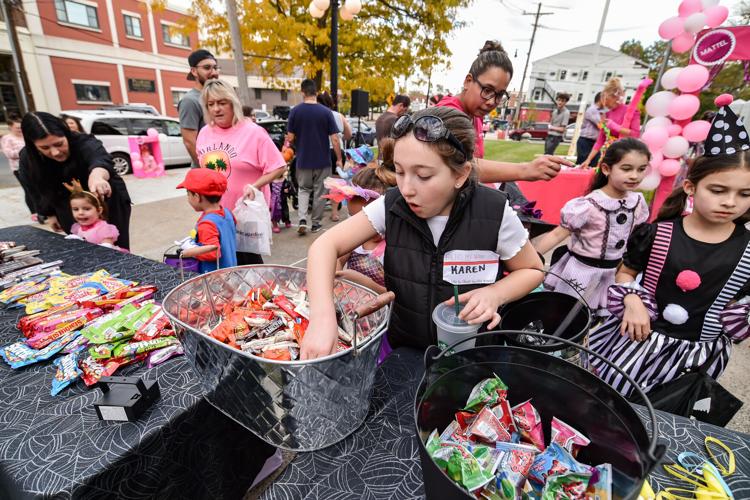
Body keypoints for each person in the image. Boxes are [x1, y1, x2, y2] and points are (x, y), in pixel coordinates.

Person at [301, 107, 544, 359]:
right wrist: (322, 318)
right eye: (400, 171)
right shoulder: (391, 205)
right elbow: (324, 246)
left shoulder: (494, 211)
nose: (406, 189)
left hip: (474, 354)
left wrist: (495, 294)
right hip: (407, 351)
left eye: (423, 175)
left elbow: (533, 270)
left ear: (461, 174)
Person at [589, 97, 750, 398]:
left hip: (696, 359)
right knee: (613, 403)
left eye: (744, 194)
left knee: (667, 420)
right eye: (718, 190)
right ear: (691, 187)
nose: (730, 201)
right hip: (637, 342)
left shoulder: (747, 251)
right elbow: (626, 273)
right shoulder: (657, 233)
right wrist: (633, 300)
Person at [533, 138, 651, 316]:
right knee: (564, 315)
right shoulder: (588, 205)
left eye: (641, 169)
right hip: (580, 272)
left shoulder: (638, 202)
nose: (635, 175)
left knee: (596, 317)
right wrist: (530, 260)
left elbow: (634, 237)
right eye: (627, 169)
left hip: (612, 273)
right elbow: (557, 235)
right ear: (606, 169)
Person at [437, 40, 571, 184]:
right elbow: (459, 166)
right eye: (487, 90)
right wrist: (526, 170)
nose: (491, 102)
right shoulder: (448, 112)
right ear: (468, 81)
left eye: (499, 95)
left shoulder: (476, 114)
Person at [196, 79, 286, 265]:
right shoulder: (205, 132)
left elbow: (279, 166)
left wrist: (255, 185)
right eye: (210, 104)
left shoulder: (254, 132)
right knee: (219, 268)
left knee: (249, 269)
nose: (216, 109)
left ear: (233, 103)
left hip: (244, 214)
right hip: (215, 215)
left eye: (222, 103)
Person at [18, 112, 132, 249]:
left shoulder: (84, 142)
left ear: (66, 134)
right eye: (45, 148)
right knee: (80, 246)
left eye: (59, 144)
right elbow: (33, 189)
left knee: (114, 246)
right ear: (33, 145)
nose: (55, 152)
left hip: (106, 201)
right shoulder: (28, 158)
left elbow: (100, 159)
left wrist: (97, 177)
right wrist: (50, 214)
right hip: (66, 206)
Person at [286, 78, 343, 235]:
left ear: (302, 92)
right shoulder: (326, 112)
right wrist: (338, 158)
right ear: (316, 93)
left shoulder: (295, 111)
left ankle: (302, 219)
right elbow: (335, 138)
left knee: (303, 189)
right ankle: (316, 223)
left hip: (303, 159)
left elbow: (290, 137)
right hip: (322, 160)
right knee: (320, 192)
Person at [176, 168, 237, 274]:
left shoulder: (207, 224)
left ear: (197, 196)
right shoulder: (227, 212)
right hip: (230, 269)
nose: (188, 198)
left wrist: (190, 250)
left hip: (215, 278)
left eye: (188, 194)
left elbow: (213, 253)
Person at [581, 78, 641, 169]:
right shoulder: (607, 114)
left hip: (625, 155)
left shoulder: (631, 111)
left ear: (615, 97)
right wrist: (588, 160)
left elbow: (635, 134)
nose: (604, 104)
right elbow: (600, 140)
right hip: (608, 156)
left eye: (606, 99)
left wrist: (615, 126)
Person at [179, 49, 220, 166]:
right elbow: (190, 142)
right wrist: (207, 169)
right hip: (209, 170)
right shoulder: (190, 101)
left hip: (224, 164)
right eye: (207, 68)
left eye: (215, 68)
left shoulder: (218, 96)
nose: (214, 72)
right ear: (194, 71)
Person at [317, 91, 352, 221]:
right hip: (336, 152)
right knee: (336, 183)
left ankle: (317, 212)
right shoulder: (338, 116)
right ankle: (334, 213)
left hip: (320, 151)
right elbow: (348, 134)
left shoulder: (316, 115)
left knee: (320, 182)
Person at [64, 179, 122, 250]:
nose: (80, 212)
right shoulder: (77, 228)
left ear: (99, 210)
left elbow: (107, 250)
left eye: (87, 209)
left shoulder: (104, 229)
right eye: (76, 209)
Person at [1, 113, 36, 219]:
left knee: (38, 188)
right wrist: (25, 152)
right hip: (18, 168)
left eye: (21, 127)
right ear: (10, 127)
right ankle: (34, 212)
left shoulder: (27, 136)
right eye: (17, 128)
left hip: (34, 166)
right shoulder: (7, 139)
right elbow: (9, 154)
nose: (20, 129)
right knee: (28, 189)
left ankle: (42, 210)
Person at [576, 92, 603, 165]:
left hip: (593, 142)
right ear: (601, 99)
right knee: (583, 163)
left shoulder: (600, 111)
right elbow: (601, 125)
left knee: (594, 164)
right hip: (586, 141)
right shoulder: (593, 110)